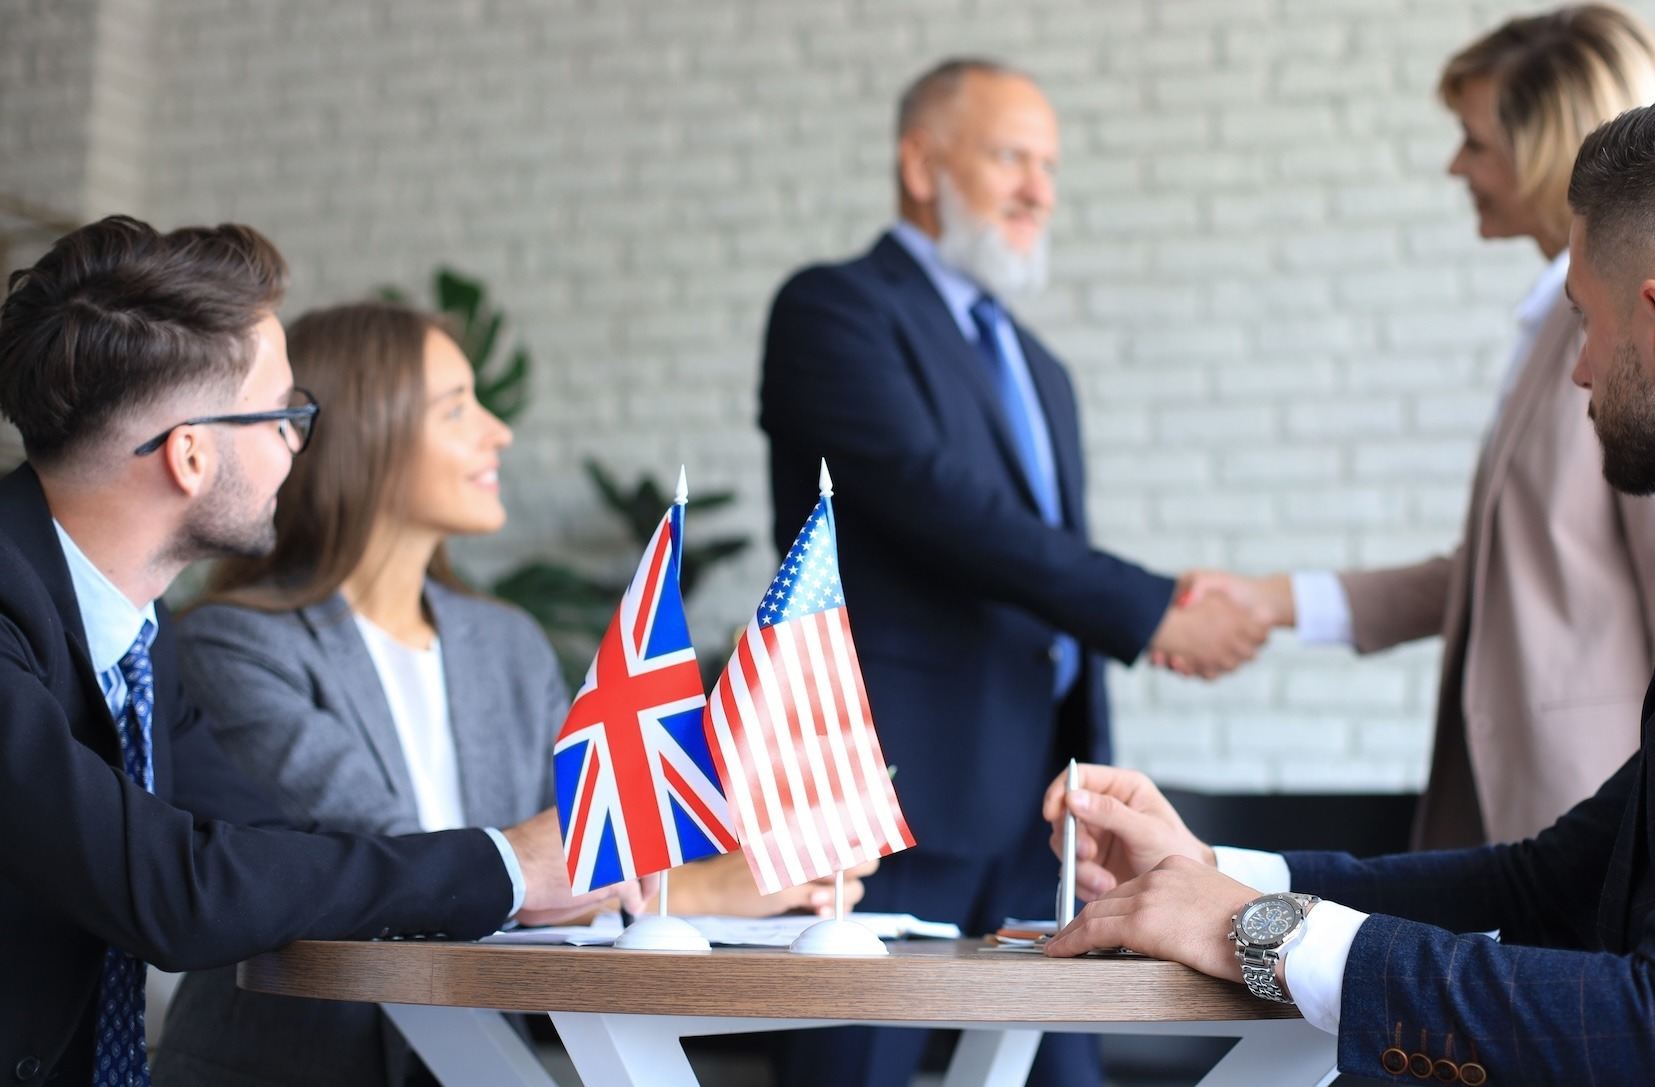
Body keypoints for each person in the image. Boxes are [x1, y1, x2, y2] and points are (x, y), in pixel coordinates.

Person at [1044, 83, 1655, 1085]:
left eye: (1585, 322)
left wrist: (1260, 931)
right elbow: (1551, 880)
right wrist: (1215, 872)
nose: (1582, 371)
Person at [150, 302, 866, 1086]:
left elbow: (581, 843)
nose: (501, 431)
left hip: (480, 1057)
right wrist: (702, 887)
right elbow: (389, 862)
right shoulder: (232, 642)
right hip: (284, 1067)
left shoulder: (507, 640)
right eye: (458, 408)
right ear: (364, 432)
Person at [0, 217, 628, 1086]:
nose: (301, 443)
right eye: (287, 414)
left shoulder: (140, 636)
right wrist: (507, 863)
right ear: (189, 454)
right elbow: (177, 891)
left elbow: (265, 844)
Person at [757, 57, 1270, 1087]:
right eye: (1011, 157)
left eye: (1049, 163)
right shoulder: (835, 309)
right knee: (854, 1071)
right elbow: (942, 504)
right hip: (894, 796)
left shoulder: (1042, 369)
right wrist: (1152, 610)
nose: (1040, 187)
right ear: (920, 161)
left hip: (1048, 810)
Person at [1179, 4, 1655, 849]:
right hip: (1522, 803)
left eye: (1476, 141)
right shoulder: (1552, 327)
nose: (1457, 165)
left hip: (1600, 805)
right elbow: (1511, 573)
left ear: (1552, 148)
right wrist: (1280, 601)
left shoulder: (1624, 334)